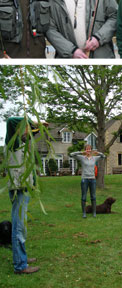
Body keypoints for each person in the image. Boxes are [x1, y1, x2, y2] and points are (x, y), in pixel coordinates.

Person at [5, 116, 48, 274]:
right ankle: (20, 265)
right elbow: (11, 121)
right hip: (18, 189)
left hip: (25, 188)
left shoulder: (24, 143)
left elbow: (30, 165)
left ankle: (21, 257)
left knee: (21, 227)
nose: (28, 131)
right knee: (18, 227)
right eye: (25, 127)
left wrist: (34, 184)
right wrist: (34, 122)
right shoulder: (13, 141)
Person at [70, 145, 105, 218]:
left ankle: (94, 212)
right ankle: (84, 213)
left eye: (89, 149)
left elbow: (103, 156)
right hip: (84, 179)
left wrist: (97, 152)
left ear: (91, 150)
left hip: (92, 179)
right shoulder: (82, 158)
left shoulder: (94, 158)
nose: (88, 150)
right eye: (87, 149)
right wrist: (81, 152)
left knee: (93, 196)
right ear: (85, 150)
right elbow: (71, 154)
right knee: (84, 196)